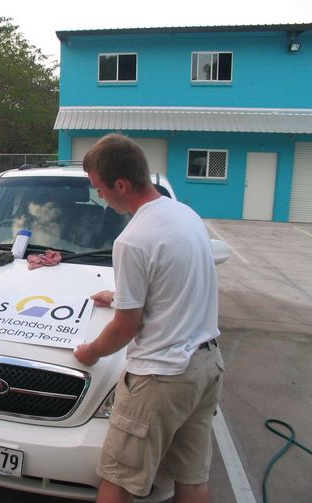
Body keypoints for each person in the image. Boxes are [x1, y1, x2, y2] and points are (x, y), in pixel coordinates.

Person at [73, 133, 224, 503]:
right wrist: (123, 296)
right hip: (205, 366)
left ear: (121, 185)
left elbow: (127, 328)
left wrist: (90, 352)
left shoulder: (133, 239)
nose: (101, 199)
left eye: (100, 189)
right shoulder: (184, 214)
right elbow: (176, 281)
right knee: (191, 478)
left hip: (161, 377)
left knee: (116, 480)